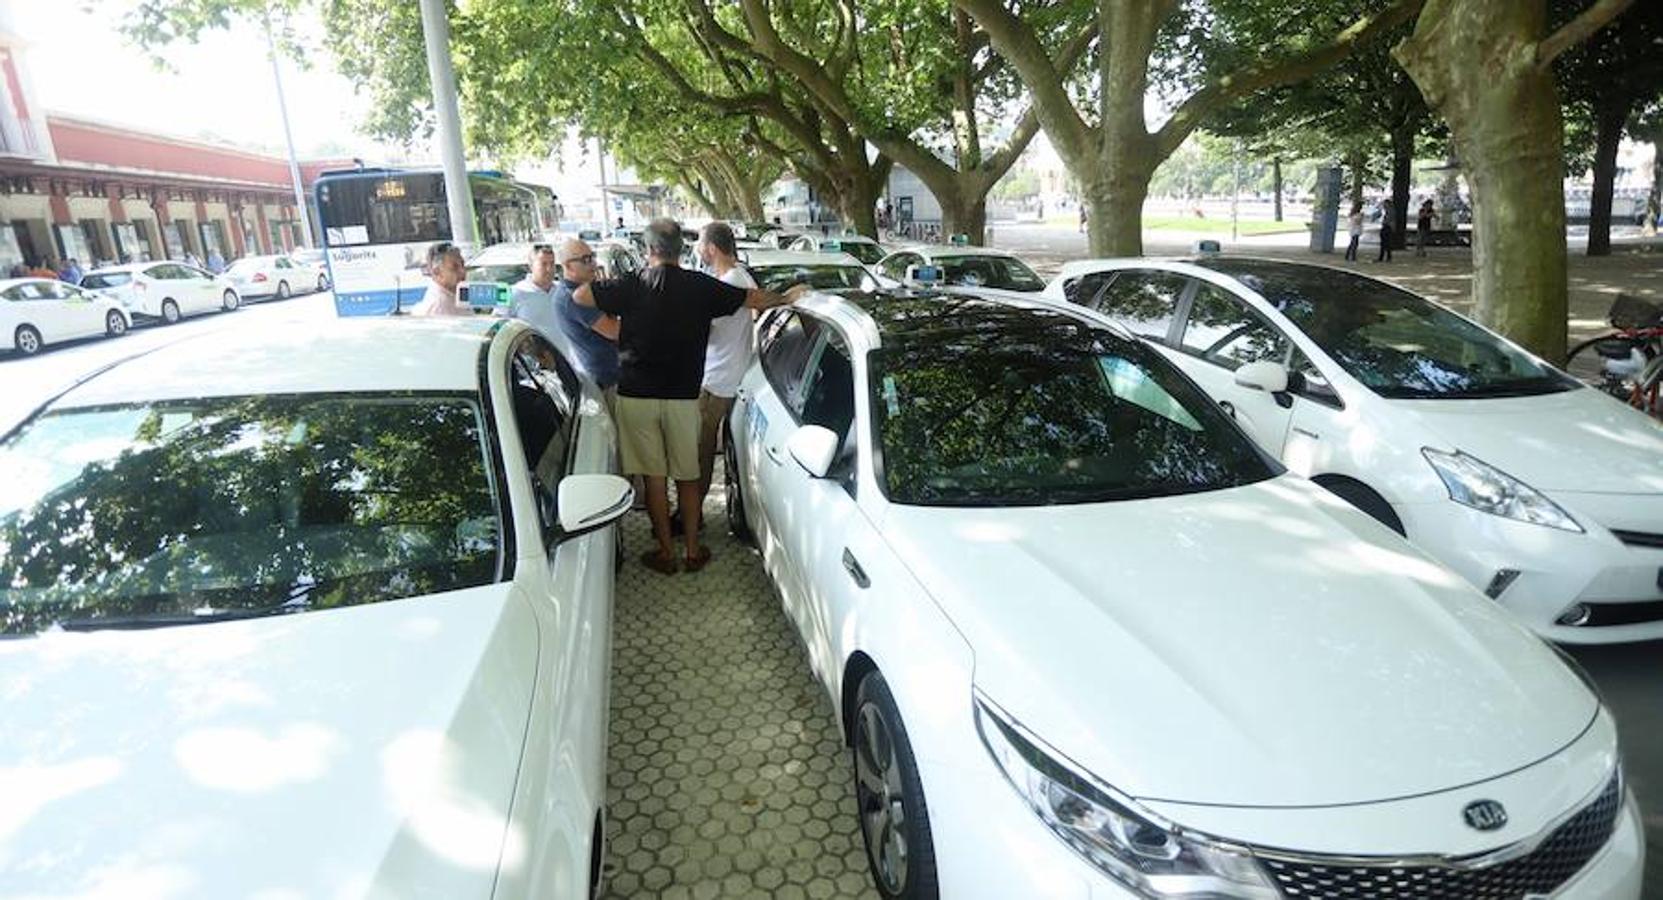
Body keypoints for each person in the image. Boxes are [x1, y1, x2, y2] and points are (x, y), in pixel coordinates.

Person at [573, 218, 800, 575]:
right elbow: (753, 299)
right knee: (688, 475)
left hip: (636, 396)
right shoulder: (701, 286)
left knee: (654, 478)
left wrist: (600, 283)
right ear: (680, 249)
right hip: (683, 396)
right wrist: (787, 298)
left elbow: (580, 296)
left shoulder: (631, 285)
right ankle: (694, 551)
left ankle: (665, 553)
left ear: (648, 250)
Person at [672, 221, 754, 536]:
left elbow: (703, 330)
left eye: (700, 245)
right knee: (699, 450)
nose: (696, 251)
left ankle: (692, 516)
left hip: (719, 381)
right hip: (719, 375)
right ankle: (692, 511)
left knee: (700, 451)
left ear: (712, 248)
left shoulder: (730, 282)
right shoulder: (734, 277)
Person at [550, 238, 621, 395]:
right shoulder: (573, 297)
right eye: (586, 260)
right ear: (568, 266)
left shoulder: (585, 290)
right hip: (604, 380)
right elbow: (614, 331)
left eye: (592, 257)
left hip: (609, 374)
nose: (593, 264)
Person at [409, 241, 469, 317]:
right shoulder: (438, 307)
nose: (463, 271)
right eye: (455, 267)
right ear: (437, 273)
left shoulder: (457, 295)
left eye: (463, 265)